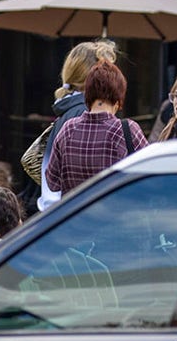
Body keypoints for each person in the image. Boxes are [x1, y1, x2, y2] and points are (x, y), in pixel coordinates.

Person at [38, 39, 117, 212]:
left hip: (62, 215)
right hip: (78, 217)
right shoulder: (83, 113)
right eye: (107, 70)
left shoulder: (69, 111)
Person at [46, 61, 147, 196]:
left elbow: (52, 183)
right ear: (118, 99)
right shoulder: (126, 130)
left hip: (75, 214)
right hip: (116, 214)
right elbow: (151, 174)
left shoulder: (68, 129)